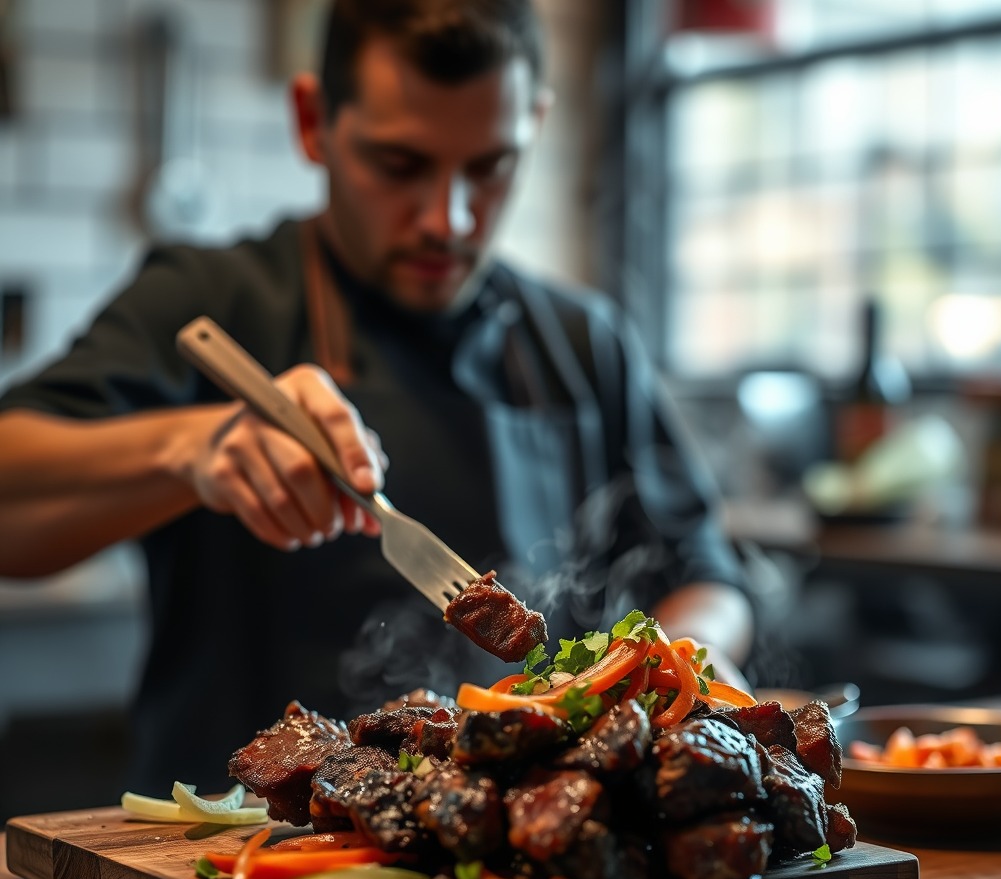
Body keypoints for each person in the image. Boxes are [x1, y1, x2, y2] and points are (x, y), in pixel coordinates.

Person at [0, 0, 754, 794]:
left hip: (520, 840)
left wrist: (675, 667)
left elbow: (704, 572)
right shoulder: (211, 298)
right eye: (400, 165)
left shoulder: (581, 341)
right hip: (235, 860)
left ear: (534, 121)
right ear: (313, 122)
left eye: (490, 165)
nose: (448, 218)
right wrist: (193, 449)